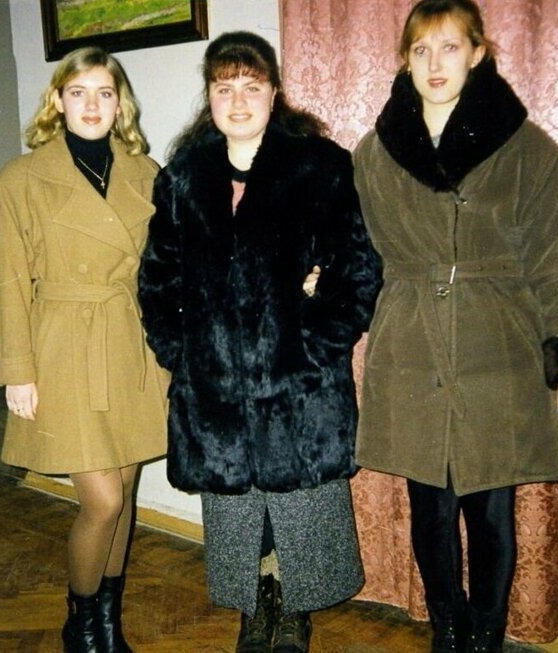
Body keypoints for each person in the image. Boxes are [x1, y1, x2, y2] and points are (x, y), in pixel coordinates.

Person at [352, 1, 558, 652]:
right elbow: (354, 248)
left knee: (492, 507)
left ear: (478, 53)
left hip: (498, 344)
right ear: (405, 61)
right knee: (430, 504)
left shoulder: (528, 149)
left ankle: (486, 636)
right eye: (421, 50)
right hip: (412, 343)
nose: (435, 64)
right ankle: (447, 629)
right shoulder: (375, 152)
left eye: (449, 47)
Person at [137, 31, 382, 653]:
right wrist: (181, 354)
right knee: (238, 511)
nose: (239, 102)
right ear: (209, 98)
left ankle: (296, 609)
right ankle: (256, 604)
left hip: (299, 383)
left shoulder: (319, 167)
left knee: (302, 508)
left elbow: (358, 267)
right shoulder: (183, 177)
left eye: (252, 87)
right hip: (214, 388)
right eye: (225, 89)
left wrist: (317, 343)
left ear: (275, 93)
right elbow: (157, 278)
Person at [0, 46, 169, 653]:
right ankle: (80, 623)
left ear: (120, 104)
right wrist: (16, 369)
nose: (92, 105)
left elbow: (168, 269)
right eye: (78, 92)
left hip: (130, 344)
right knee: (103, 500)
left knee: (126, 493)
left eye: (104, 93)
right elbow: (6, 279)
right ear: (58, 101)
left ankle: (107, 626)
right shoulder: (21, 178)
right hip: (61, 345)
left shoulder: (147, 172)